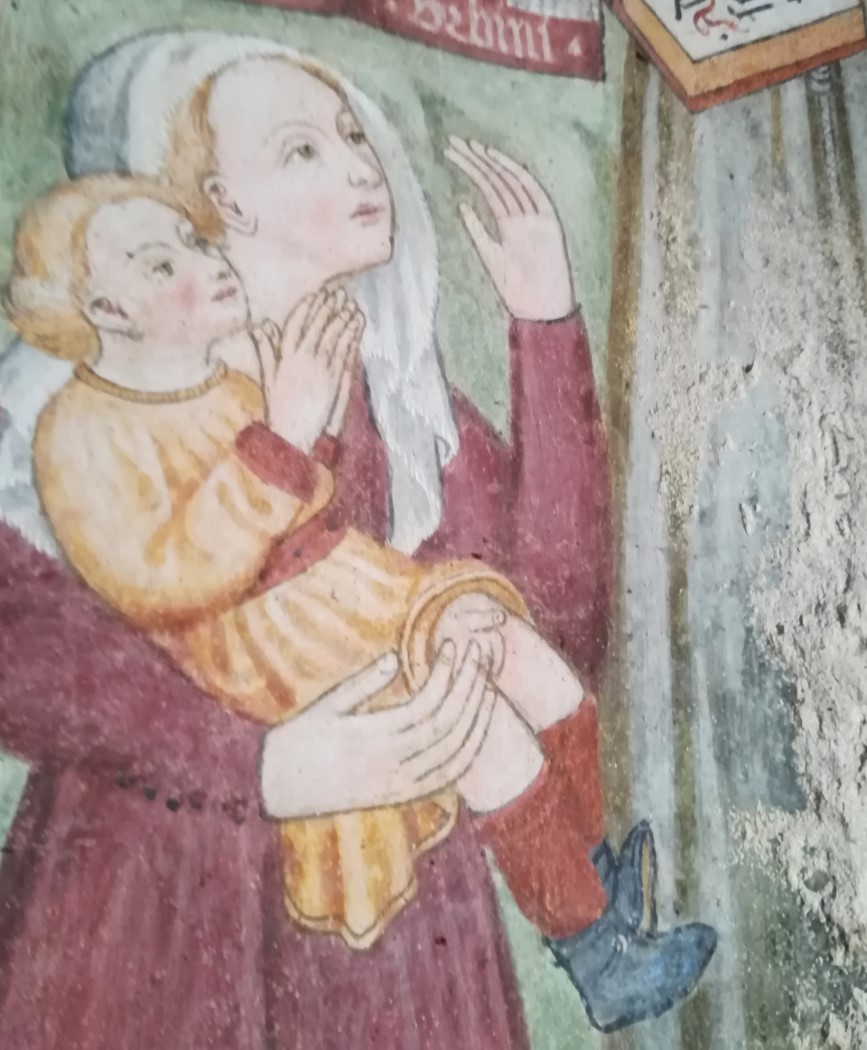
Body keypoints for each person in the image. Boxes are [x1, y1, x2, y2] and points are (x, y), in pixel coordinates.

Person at [0, 30, 715, 1044]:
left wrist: (544, 321)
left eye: (350, 134)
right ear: (209, 202)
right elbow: (26, 652)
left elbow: (560, 622)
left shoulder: (398, 399)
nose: (360, 163)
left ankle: (594, 906)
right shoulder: (84, 420)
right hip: (166, 909)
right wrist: (259, 766)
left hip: (408, 966)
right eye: (301, 149)